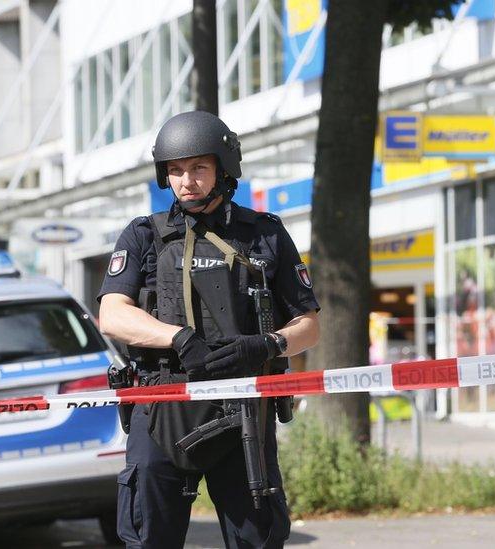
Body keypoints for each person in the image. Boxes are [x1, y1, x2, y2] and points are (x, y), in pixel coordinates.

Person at [98, 110, 320, 549]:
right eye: (175, 170)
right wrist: (177, 338)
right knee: (148, 538)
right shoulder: (144, 235)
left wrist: (265, 344)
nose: (186, 181)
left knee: (257, 538)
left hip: (243, 410)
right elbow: (112, 314)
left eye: (198, 168)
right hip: (162, 403)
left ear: (223, 169)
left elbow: (309, 325)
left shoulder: (264, 235)